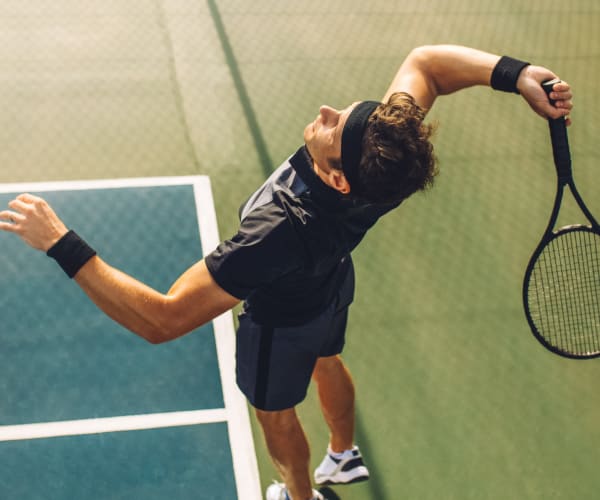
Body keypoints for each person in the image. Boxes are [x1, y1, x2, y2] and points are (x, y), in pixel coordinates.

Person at [0, 45, 572, 500]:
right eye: (347, 112)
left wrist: (61, 243)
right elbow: (426, 64)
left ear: (338, 180)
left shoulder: (276, 233)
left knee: (275, 414)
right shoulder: (384, 157)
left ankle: (301, 496)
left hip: (279, 319)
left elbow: (163, 318)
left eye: (332, 128)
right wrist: (516, 74)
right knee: (327, 357)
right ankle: (343, 453)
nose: (325, 112)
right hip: (331, 286)